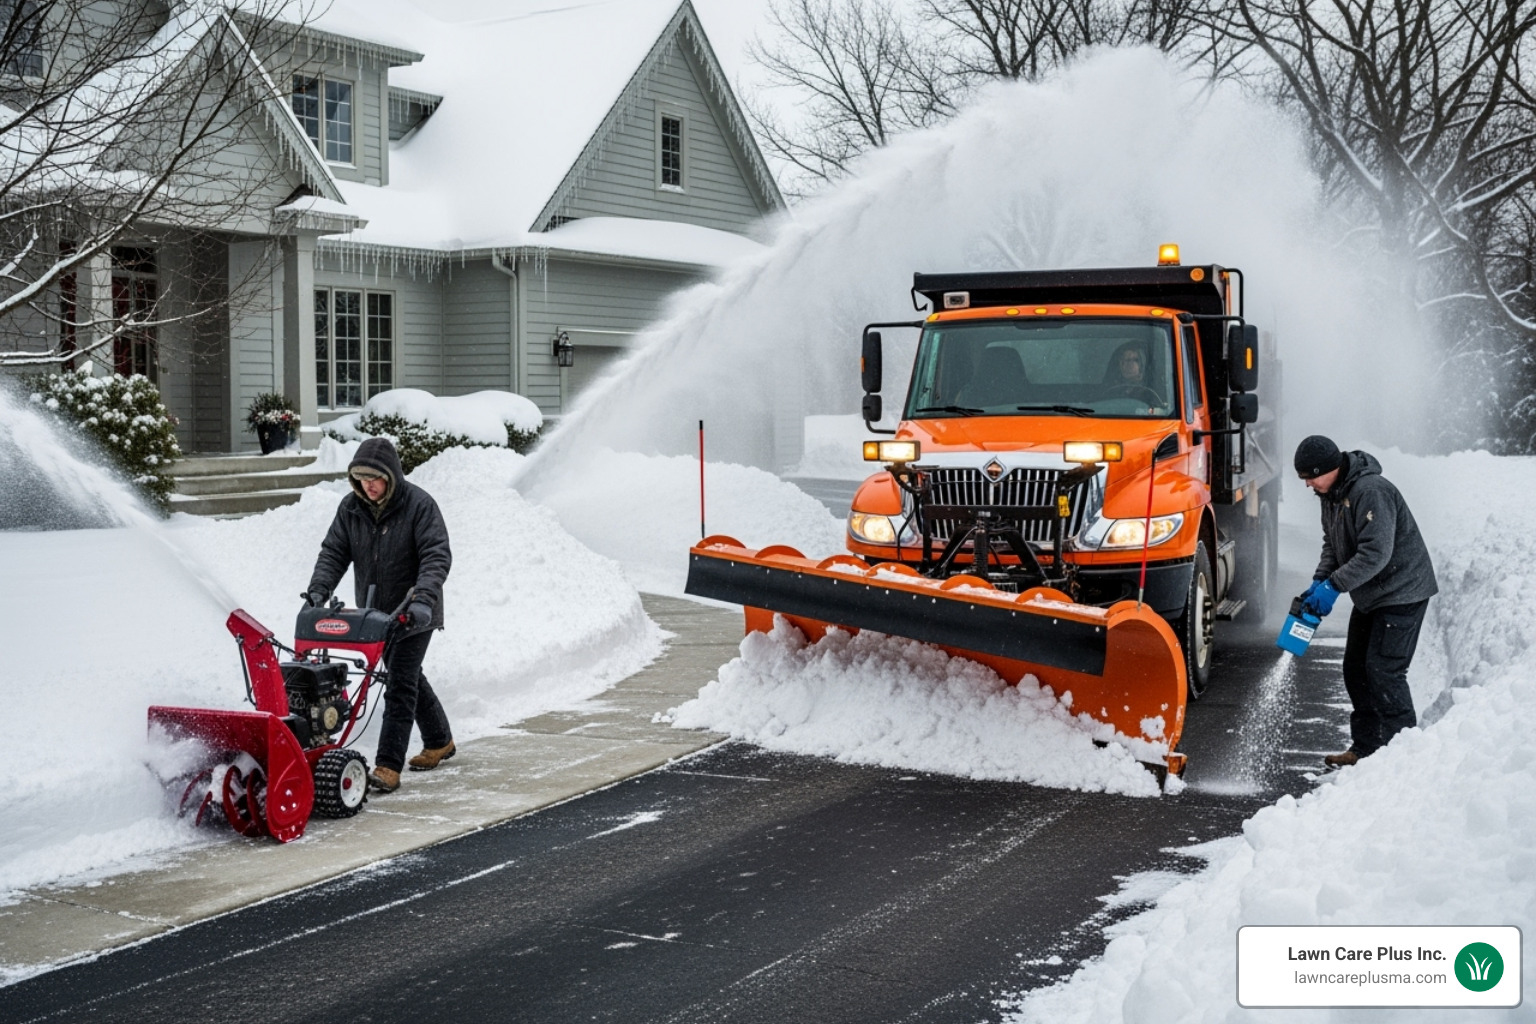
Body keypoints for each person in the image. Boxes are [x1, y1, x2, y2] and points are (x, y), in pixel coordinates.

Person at [306, 437, 454, 793]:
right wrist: (317, 591)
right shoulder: (351, 508)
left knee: (400, 682)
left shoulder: (419, 505)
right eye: (360, 478)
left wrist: (422, 600)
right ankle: (440, 740)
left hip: (415, 611)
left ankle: (389, 764)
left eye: (375, 478)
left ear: (391, 475)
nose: (368, 485)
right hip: (374, 615)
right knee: (407, 675)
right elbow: (334, 552)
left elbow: (437, 556)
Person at [1294, 435, 1437, 768]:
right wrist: (1319, 581)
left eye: (1311, 476)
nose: (1308, 485)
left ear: (1330, 468)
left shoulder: (1371, 491)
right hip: (1372, 596)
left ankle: (1402, 754)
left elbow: (1376, 553)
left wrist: (1335, 586)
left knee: (1384, 671)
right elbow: (1333, 544)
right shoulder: (1329, 494)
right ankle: (1367, 747)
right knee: (1355, 668)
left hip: (1403, 591)